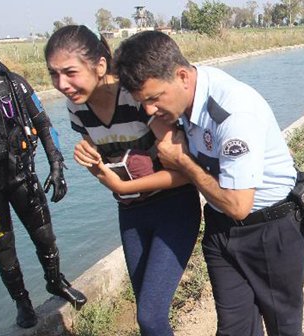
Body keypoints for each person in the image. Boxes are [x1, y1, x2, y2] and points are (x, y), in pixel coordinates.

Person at [114, 31, 304, 336]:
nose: (150, 112)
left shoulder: (232, 111)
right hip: (222, 228)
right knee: (234, 330)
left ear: (182, 75)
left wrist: (183, 162)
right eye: (143, 103)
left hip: (271, 229)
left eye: (154, 99)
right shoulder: (184, 95)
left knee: (283, 326)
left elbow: (239, 205)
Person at [44, 25, 201, 336]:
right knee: (146, 310)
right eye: (53, 74)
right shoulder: (76, 108)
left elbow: (184, 173)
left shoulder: (137, 97)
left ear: (100, 65)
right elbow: (108, 168)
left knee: (151, 317)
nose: (62, 84)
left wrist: (122, 187)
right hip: (130, 213)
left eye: (70, 72)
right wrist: (94, 166)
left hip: (173, 208)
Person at [0, 27, 86, 328]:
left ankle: (54, 281)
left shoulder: (10, 83)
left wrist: (57, 166)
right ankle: (22, 302)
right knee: (4, 247)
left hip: (21, 174)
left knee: (45, 236)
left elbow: (44, 125)